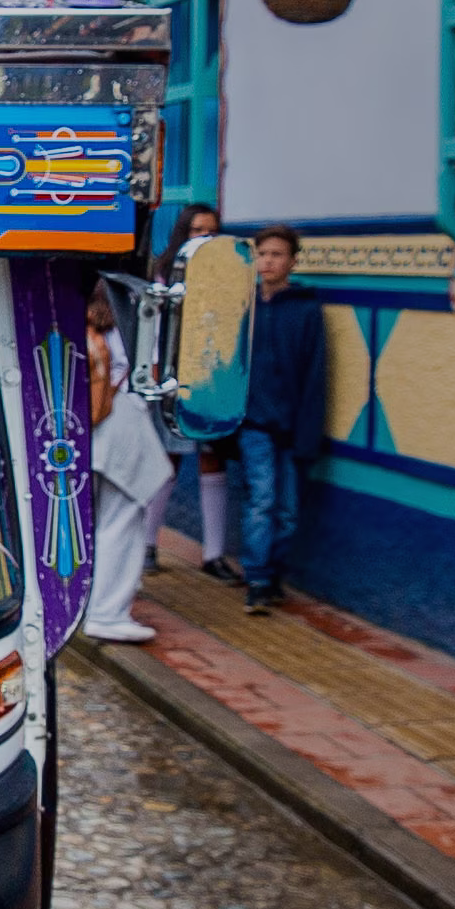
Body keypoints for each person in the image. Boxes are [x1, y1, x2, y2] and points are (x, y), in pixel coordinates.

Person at [230, 225, 318, 614]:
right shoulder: (244, 308)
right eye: (263, 254)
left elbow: (316, 375)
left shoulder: (306, 310)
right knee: (262, 500)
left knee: (288, 511)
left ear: (293, 261)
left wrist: (307, 432)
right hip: (254, 424)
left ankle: (275, 572)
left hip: (292, 423)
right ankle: (258, 578)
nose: (268, 261)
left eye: (277, 255)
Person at [80, 285, 168, 643]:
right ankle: (108, 612)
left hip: (89, 426)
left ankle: (91, 604)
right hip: (118, 422)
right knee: (121, 519)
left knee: (97, 519)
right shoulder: (134, 303)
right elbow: (153, 372)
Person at [160, 200, 233, 578]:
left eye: (212, 231)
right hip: (174, 378)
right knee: (167, 463)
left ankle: (214, 554)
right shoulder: (164, 275)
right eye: (198, 230)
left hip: (212, 381)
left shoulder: (229, 276)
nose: (206, 237)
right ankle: (146, 544)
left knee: (212, 460)